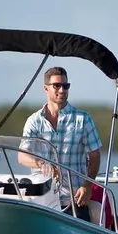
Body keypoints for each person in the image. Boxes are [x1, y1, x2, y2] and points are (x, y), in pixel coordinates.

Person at [18, 66, 102, 223]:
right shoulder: (34, 121)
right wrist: (43, 163)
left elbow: (95, 156)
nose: (62, 90)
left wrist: (87, 186)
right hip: (41, 199)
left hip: (73, 200)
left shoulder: (83, 119)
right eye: (57, 86)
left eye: (66, 86)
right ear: (46, 88)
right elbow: (22, 156)